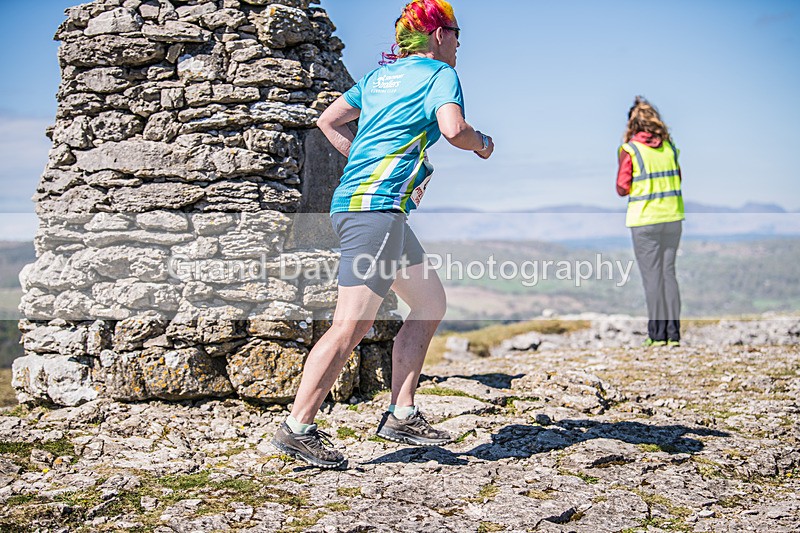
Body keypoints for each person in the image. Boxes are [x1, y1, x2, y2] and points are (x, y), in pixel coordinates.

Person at [271, 0, 494, 468]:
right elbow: (454, 131)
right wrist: (483, 145)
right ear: (437, 34)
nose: (459, 43)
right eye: (455, 33)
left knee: (430, 303)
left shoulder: (377, 79)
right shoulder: (439, 75)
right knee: (350, 325)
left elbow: (327, 120)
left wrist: (360, 160)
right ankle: (297, 427)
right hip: (375, 211)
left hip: (370, 208)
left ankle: (402, 412)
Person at [616, 96, 684, 348]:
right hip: (673, 217)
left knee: (652, 277)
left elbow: (622, 188)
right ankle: (674, 335)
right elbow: (679, 178)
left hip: (645, 220)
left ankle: (657, 335)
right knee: (669, 274)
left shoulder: (631, 150)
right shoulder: (670, 147)